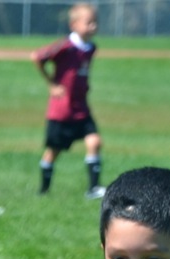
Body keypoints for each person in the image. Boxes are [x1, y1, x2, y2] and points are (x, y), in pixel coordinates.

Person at [32, 3, 104, 199]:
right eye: (88, 23)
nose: (93, 27)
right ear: (74, 24)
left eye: (95, 22)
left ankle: (93, 188)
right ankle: (44, 190)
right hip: (62, 110)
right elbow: (37, 57)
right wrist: (51, 84)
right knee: (53, 151)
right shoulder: (65, 46)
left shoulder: (91, 48)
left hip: (81, 107)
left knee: (95, 142)